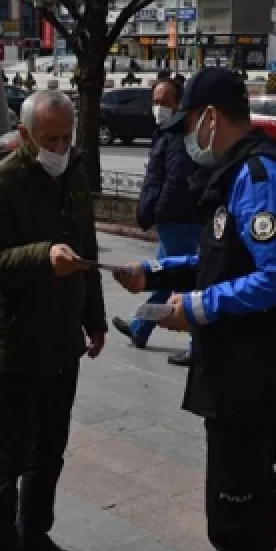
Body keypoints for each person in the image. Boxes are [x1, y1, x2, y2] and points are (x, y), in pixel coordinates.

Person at [113, 68, 276, 551]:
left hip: (250, 374)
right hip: (233, 370)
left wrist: (200, 306)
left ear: (210, 117)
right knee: (236, 496)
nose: (188, 137)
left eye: (189, 124)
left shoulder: (258, 177)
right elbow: (220, 256)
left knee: (238, 504)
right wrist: (156, 272)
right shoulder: (236, 174)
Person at [0, 90, 107, 551]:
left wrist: (94, 319)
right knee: (7, 458)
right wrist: (42, 256)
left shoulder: (75, 176)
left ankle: (35, 536)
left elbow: (87, 251)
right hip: (16, 343)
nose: (59, 148)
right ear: (26, 135)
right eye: (49, 139)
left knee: (50, 451)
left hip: (62, 341)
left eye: (66, 138)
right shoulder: (4, 183)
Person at [113, 78, 204, 366]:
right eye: (155, 101)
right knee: (165, 277)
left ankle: (198, 344)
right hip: (174, 219)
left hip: (179, 219)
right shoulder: (167, 132)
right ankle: (140, 327)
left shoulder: (178, 135)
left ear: (179, 104)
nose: (158, 108)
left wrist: (159, 210)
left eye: (165, 102)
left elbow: (176, 181)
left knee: (184, 279)